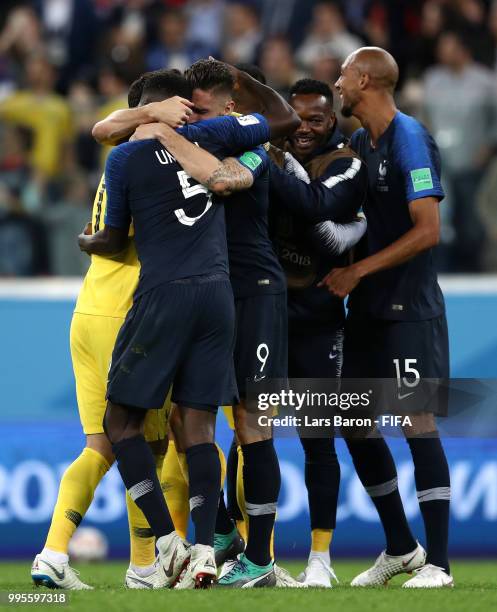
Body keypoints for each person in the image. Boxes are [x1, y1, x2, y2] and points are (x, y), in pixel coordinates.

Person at [80, 68, 299, 589]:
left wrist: (88, 241)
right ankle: (205, 547)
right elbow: (276, 120)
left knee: (121, 422)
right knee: (195, 425)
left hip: (167, 293)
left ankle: (166, 542)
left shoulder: (126, 157)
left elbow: (112, 234)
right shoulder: (216, 134)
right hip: (219, 295)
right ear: (179, 107)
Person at [30, 78, 192, 591]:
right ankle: (147, 564)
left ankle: (54, 554)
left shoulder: (118, 160)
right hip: (131, 316)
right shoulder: (158, 159)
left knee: (103, 444)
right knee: (152, 443)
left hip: (89, 312)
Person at [323, 46, 453, 588]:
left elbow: (428, 231)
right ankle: (401, 546)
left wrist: (358, 272)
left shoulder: (409, 139)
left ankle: (441, 565)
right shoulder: (360, 142)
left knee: (415, 422)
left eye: (344, 74)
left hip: (408, 311)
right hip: (369, 312)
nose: (337, 82)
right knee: (351, 420)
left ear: (368, 80)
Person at [267, 78, 368, 587]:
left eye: (316, 119)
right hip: (263, 316)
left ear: (333, 121)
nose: (305, 128)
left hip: (317, 322)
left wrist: (269, 160)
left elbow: (317, 211)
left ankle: (320, 559)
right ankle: (255, 557)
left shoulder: (347, 164)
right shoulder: (262, 153)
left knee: (318, 441)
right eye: (297, 118)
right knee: (251, 437)